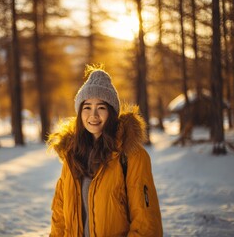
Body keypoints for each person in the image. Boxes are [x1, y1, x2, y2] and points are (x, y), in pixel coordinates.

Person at [47, 65, 163, 236]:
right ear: (80, 113)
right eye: (87, 107)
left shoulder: (131, 155)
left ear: (111, 112)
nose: (93, 115)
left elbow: (146, 222)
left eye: (101, 107)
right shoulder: (72, 155)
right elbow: (59, 216)